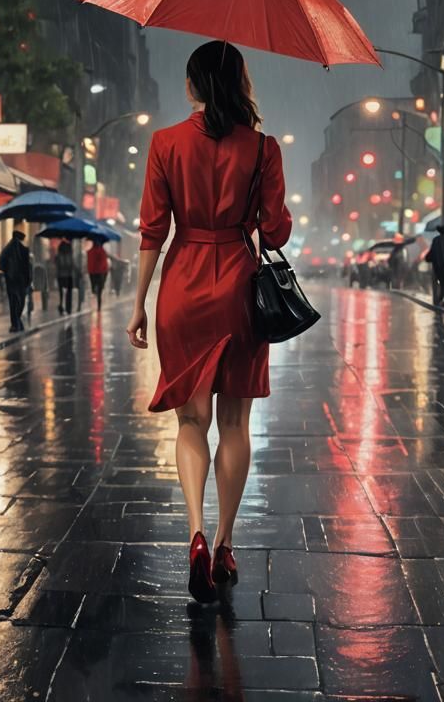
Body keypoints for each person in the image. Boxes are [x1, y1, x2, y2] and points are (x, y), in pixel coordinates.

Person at [127, 40, 292, 604]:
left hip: (181, 286)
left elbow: (153, 230)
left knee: (189, 424)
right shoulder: (264, 148)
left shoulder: (164, 143)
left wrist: (140, 302)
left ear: (193, 85)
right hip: (239, 289)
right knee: (236, 426)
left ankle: (194, 533)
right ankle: (224, 542)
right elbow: (276, 232)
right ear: (241, 83)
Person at [0, 227, 32, 333]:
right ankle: (16, 323)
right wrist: (28, 280)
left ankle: (16, 324)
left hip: (12, 281)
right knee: (19, 302)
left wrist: (7, 272)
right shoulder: (24, 250)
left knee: (14, 302)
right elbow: (28, 268)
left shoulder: (7, 249)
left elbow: (0, 263)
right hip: (21, 281)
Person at [86, 238, 110, 312]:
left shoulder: (90, 252)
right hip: (100, 273)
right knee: (100, 291)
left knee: (94, 289)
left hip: (92, 273)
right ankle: (99, 307)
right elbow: (105, 265)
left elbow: (89, 264)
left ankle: (94, 290)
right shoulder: (102, 251)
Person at [55, 240, 76, 315]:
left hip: (60, 276)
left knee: (61, 293)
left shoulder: (58, 256)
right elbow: (72, 266)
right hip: (69, 276)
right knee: (69, 293)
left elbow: (56, 265)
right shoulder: (70, 255)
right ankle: (68, 308)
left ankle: (61, 306)